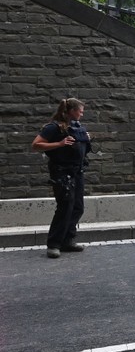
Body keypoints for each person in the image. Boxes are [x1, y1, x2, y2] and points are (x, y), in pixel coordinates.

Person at [31, 98, 92, 258]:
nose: (82, 113)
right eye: (80, 110)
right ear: (71, 111)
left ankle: (68, 241)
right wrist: (60, 143)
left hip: (77, 172)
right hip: (62, 173)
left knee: (78, 207)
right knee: (65, 206)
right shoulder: (53, 128)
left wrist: (86, 139)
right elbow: (36, 145)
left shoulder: (77, 128)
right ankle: (54, 244)